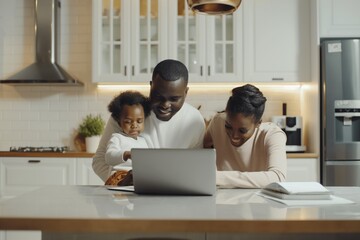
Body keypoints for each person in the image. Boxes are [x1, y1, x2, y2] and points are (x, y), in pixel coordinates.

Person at [93, 59, 206, 182]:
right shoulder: (128, 113)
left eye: (174, 99)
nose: (165, 105)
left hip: (176, 194)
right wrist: (121, 183)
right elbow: (99, 161)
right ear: (151, 85)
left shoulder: (195, 120)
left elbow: (197, 167)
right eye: (158, 96)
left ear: (186, 92)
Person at [203, 84, 287, 189]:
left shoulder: (272, 135)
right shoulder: (217, 122)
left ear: (258, 123)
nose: (234, 136)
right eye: (228, 127)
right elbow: (203, 148)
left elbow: (277, 177)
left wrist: (216, 177)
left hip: (259, 201)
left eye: (242, 130)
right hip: (223, 198)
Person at [104, 90, 150, 173]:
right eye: (128, 122)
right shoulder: (117, 138)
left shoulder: (143, 141)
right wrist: (126, 154)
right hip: (120, 176)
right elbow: (108, 157)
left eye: (139, 121)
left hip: (138, 176)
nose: (134, 125)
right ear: (119, 122)